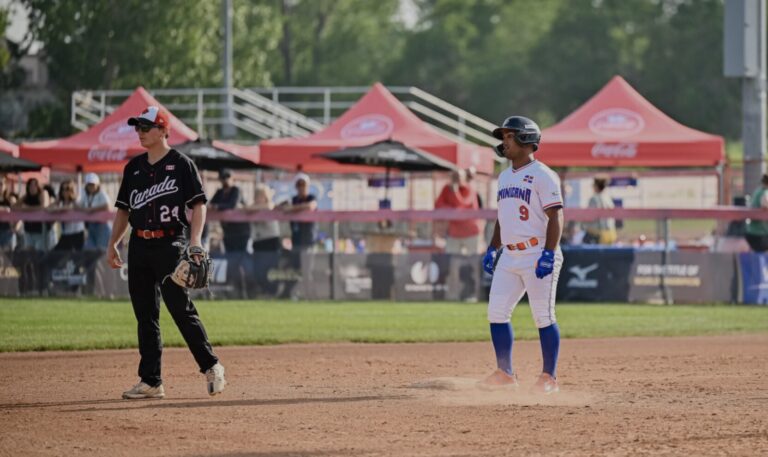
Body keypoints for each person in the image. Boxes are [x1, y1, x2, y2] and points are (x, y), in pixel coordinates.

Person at [107, 105, 226, 400]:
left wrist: (195, 240)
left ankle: (211, 366)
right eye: (138, 127)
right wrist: (113, 243)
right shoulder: (133, 168)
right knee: (145, 314)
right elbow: (124, 211)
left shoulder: (181, 164)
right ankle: (151, 381)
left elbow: (198, 204)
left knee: (179, 308)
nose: (140, 132)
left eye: (146, 127)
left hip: (170, 243)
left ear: (163, 130)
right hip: (139, 244)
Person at [480, 115, 564, 394]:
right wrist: (493, 247)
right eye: (503, 137)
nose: (504, 141)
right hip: (510, 255)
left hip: (537, 250)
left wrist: (549, 254)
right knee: (496, 313)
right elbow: (503, 217)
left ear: (527, 140)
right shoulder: (504, 176)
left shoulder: (544, 175)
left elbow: (556, 216)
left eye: (509, 136)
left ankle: (548, 377)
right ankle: (505, 372)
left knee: (543, 315)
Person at [434, 169, 482, 255]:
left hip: (470, 233)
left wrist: (455, 192)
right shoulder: (446, 188)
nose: (456, 179)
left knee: (473, 261)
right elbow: (438, 205)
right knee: (452, 262)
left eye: (458, 177)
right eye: (454, 176)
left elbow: (462, 206)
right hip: (454, 234)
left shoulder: (470, 189)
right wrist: (451, 209)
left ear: (464, 178)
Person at [210, 169, 250, 253]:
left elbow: (232, 205)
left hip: (241, 231)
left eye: (227, 177)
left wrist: (217, 206)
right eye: (223, 177)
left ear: (231, 178)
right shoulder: (219, 192)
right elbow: (211, 204)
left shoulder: (236, 190)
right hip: (227, 230)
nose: (225, 179)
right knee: (230, 257)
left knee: (241, 256)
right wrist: (215, 206)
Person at [281, 173, 318, 251]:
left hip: (308, 237)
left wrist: (292, 208)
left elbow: (311, 206)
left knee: (307, 260)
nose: (301, 187)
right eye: (299, 185)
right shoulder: (293, 199)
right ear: (296, 186)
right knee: (296, 260)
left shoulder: (311, 197)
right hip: (296, 236)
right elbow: (281, 207)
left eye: (303, 184)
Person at [80, 173, 112, 250]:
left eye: (93, 184)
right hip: (91, 226)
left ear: (97, 184)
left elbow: (107, 206)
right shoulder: (85, 195)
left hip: (102, 226)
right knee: (90, 249)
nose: (91, 187)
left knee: (101, 250)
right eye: (89, 184)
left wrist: (91, 210)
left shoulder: (102, 193)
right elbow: (80, 206)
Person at [51, 179, 85, 251]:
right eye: (62, 189)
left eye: (67, 189)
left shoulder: (76, 201)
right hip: (65, 234)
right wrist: (56, 202)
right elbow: (48, 209)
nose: (65, 191)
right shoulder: (60, 203)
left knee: (77, 257)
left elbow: (69, 208)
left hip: (77, 233)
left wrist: (57, 209)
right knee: (55, 254)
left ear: (71, 190)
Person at [583, 176, 617, 245]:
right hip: (610, 233)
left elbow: (590, 216)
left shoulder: (594, 199)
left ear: (596, 186)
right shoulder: (607, 198)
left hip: (598, 234)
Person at [247, 183, 281, 252]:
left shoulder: (270, 205)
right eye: (257, 196)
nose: (258, 199)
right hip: (258, 241)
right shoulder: (252, 208)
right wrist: (253, 208)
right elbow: (246, 209)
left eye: (261, 196)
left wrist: (255, 207)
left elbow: (269, 206)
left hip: (271, 240)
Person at [20, 178, 50, 250]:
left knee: (40, 253)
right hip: (28, 230)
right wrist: (23, 208)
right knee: (29, 253)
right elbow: (14, 207)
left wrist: (27, 208)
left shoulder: (43, 193)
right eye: (30, 185)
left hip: (41, 230)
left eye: (34, 185)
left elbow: (44, 207)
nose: (32, 187)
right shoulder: (26, 196)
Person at [745, 174, 768, 252]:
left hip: (752, 232)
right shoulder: (765, 192)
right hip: (761, 234)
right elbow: (765, 204)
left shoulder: (758, 191)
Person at [0, 177, 19, 251]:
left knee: (7, 257)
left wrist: (15, 227)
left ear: (5, 185)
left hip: (7, 231)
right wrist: (4, 209)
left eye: (1, 184)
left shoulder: (10, 199)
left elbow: (18, 214)